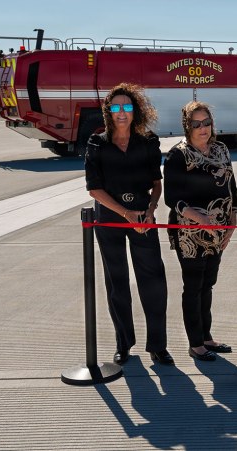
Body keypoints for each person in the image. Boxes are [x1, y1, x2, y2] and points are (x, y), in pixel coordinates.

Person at [84, 83, 173, 366]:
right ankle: (124, 344)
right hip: (111, 218)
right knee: (117, 281)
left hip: (143, 218)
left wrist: (149, 210)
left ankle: (158, 346)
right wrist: (125, 213)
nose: (121, 113)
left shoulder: (148, 142)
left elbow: (156, 184)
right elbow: (94, 189)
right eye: (116, 107)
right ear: (108, 111)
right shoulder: (97, 143)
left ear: (135, 111)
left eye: (127, 107)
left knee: (154, 281)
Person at [164, 101, 237, 362]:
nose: (203, 128)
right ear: (187, 126)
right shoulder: (178, 155)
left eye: (206, 122)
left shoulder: (221, 149)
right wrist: (196, 216)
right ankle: (195, 344)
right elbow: (171, 197)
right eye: (196, 124)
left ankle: (206, 337)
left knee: (208, 284)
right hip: (190, 234)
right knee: (193, 286)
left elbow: (231, 185)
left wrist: (233, 217)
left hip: (217, 230)